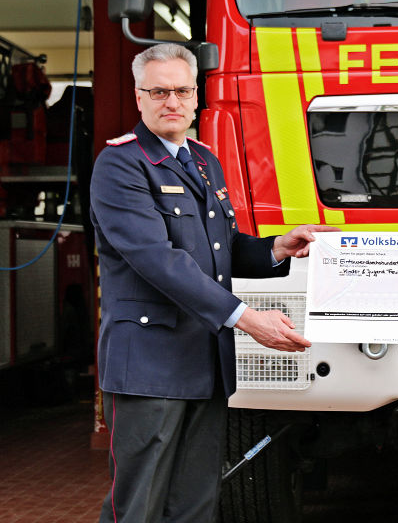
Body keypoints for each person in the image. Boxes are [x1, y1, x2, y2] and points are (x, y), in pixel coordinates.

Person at [90, 43, 338, 523]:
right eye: (159, 92)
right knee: (139, 505)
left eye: (183, 91)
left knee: (195, 505)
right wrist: (247, 319)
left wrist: (277, 247)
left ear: (196, 96)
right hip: (149, 366)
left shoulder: (203, 160)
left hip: (203, 362)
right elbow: (158, 259)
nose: (172, 102)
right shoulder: (120, 165)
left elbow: (219, 246)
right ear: (139, 97)